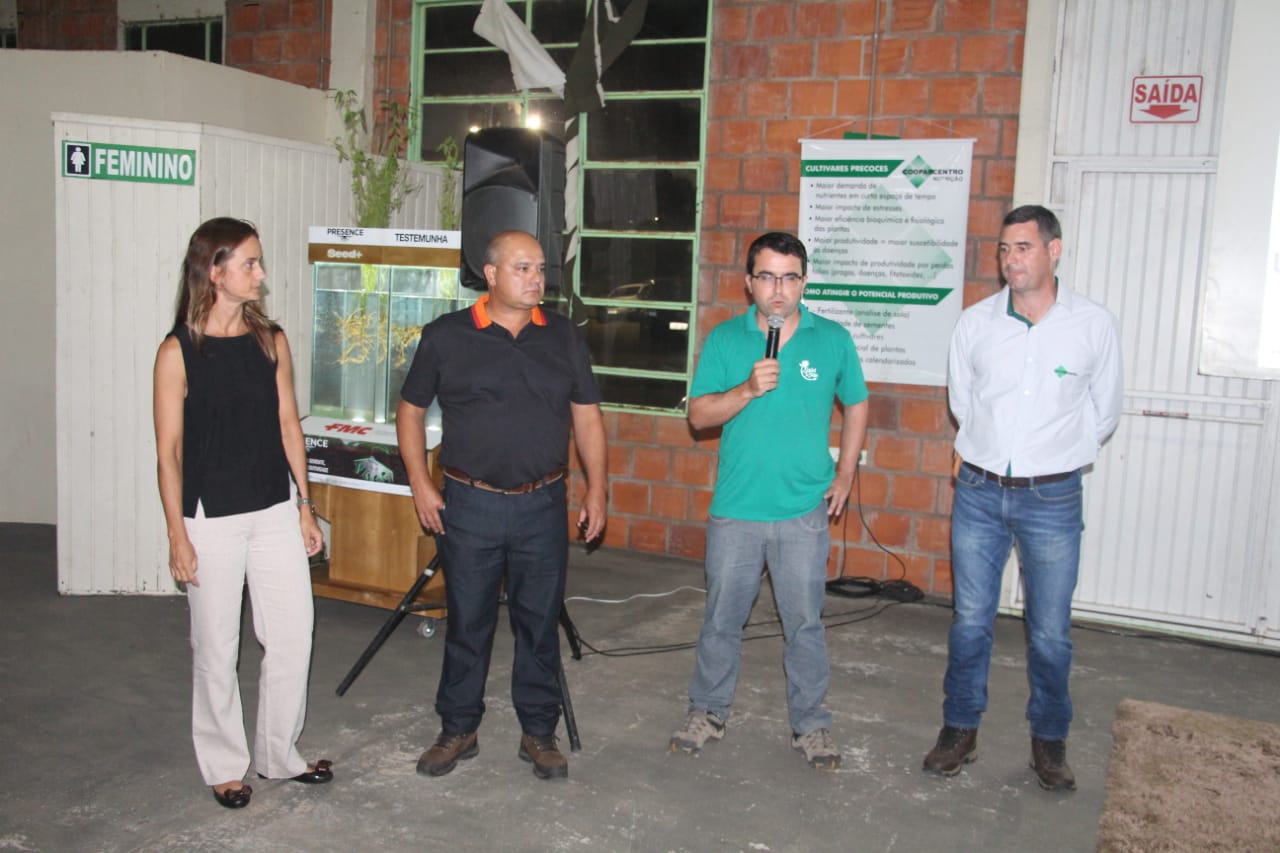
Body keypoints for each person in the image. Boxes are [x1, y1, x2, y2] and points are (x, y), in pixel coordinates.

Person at [922, 204, 1123, 791]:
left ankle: (1049, 742)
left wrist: (1052, 454)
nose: (1012, 260)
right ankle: (960, 729)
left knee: (1050, 632)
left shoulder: (1092, 325)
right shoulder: (976, 323)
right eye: (1005, 249)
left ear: (1054, 251)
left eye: (1024, 247)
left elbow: (1104, 412)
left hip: (1053, 497)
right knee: (969, 622)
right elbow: (963, 403)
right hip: (979, 492)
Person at [397, 230, 607, 782]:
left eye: (540, 268)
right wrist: (420, 483)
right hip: (470, 505)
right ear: (490, 275)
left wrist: (598, 488)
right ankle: (458, 729)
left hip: (543, 504)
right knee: (469, 621)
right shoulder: (446, 336)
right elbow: (411, 410)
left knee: (539, 622)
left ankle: (538, 731)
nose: (536, 279)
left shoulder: (563, 336)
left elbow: (587, 416)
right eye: (522, 268)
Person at [669, 231, 869, 770]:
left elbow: (856, 403)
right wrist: (747, 390)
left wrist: (846, 473)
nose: (778, 290)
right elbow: (698, 416)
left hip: (803, 510)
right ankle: (707, 710)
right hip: (737, 509)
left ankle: (811, 724)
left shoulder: (832, 340)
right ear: (748, 282)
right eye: (767, 277)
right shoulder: (726, 340)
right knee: (721, 619)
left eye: (789, 278)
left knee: (804, 623)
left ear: (804, 282)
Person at [153, 217, 334, 809]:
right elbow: (168, 453)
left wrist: (305, 507)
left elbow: (288, 426)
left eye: (258, 262)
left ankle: (279, 756)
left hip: (275, 509)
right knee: (216, 647)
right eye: (249, 263)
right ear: (215, 271)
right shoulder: (177, 352)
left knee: (292, 637)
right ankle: (224, 766)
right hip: (211, 519)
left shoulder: (270, 340)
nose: (260, 273)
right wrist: (177, 534)